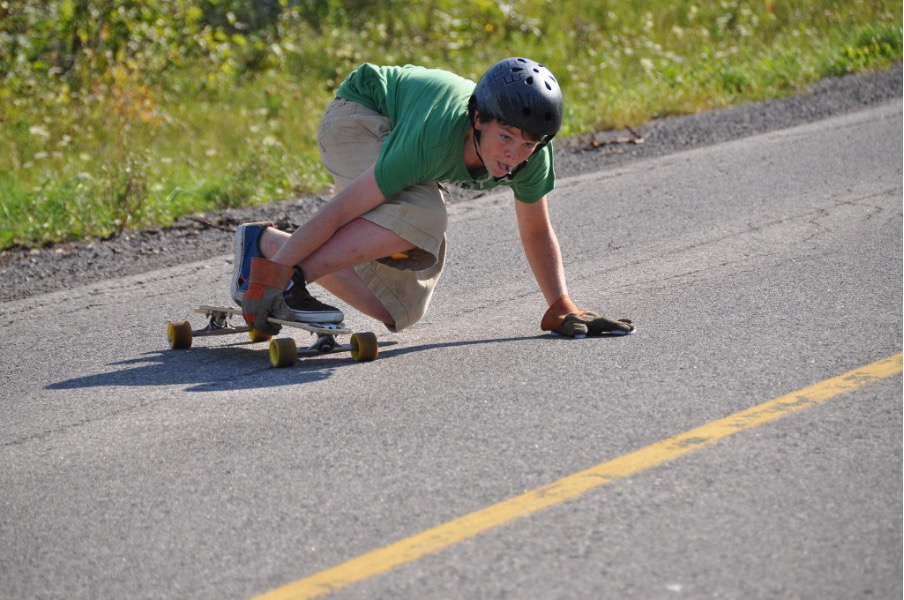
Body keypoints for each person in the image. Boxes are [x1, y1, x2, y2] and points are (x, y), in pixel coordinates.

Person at [231, 57, 634, 338]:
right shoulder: (432, 137)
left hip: (397, 135)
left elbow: (536, 231)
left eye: (527, 144)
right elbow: (340, 212)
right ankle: (284, 277)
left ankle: (265, 244)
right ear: (478, 119)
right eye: (505, 137)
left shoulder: (531, 158)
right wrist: (281, 275)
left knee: (399, 309)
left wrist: (560, 305)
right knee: (423, 216)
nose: (513, 154)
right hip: (359, 116)